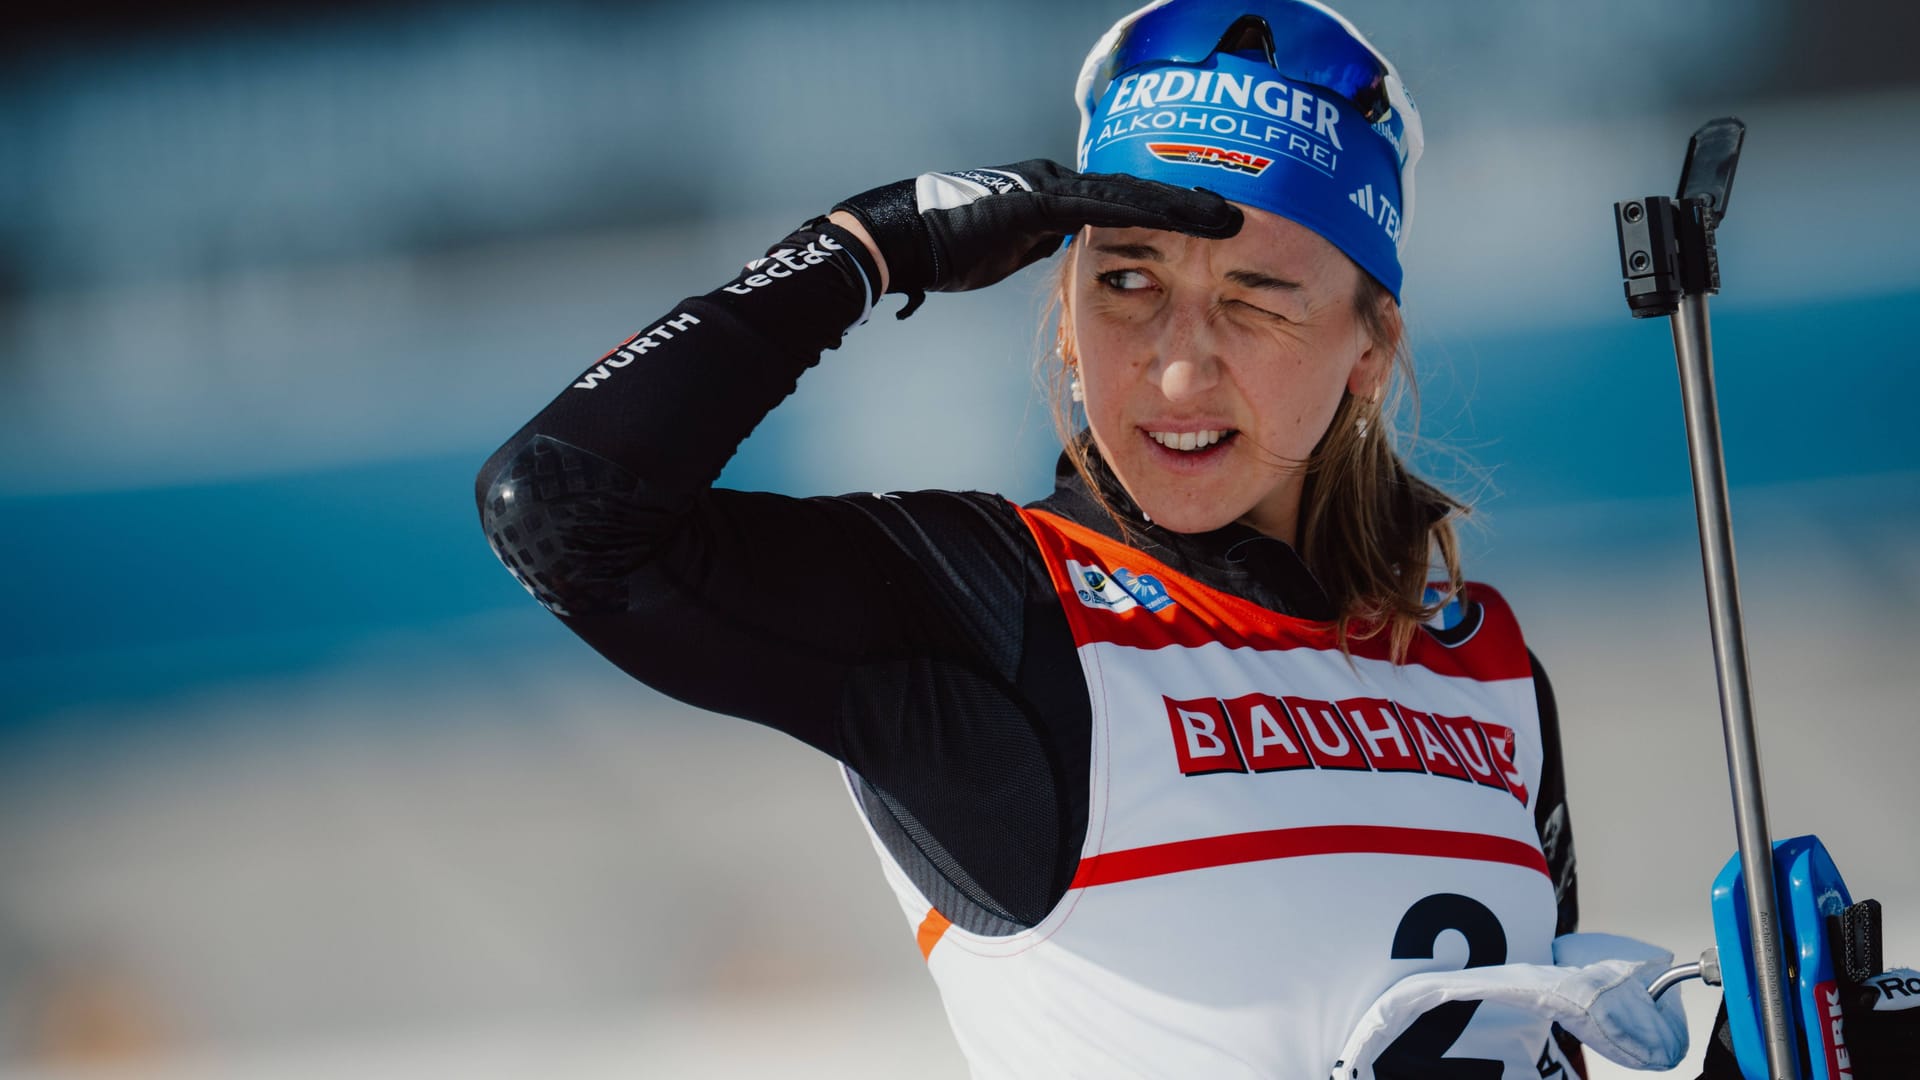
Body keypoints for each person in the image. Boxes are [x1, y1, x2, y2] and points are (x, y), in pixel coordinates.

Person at [474, 1, 1910, 1075]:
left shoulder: (1481, 666)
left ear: (1369, 342)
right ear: (1058, 296)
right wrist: (871, 247)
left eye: (1260, 297)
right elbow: (562, 508)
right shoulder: (991, 601)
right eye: (1130, 282)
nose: (1174, 365)